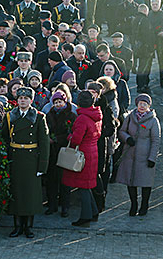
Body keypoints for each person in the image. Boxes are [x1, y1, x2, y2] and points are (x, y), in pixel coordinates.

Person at [1, 87, 49, 238]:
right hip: (15, 158)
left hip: (31, 159)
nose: (23, 100)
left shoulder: (39, 117)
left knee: (30, 194)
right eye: (20, 98)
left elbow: (44, 143)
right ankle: (17, 226)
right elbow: (4, 139)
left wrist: (42, 165)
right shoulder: (9, 116)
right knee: (17, 193)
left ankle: (28, 226)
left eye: (26, 98)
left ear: (31, 100)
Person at [62, 90, 102, 227]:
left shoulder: (82, 118)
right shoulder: (96, 115)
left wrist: (69, 136)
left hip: (83, 154)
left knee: (83, 186)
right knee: (87, 184)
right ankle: (94, 212)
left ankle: (86, 217)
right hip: (93, 152)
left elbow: (76, 139)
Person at [116, 94, 161, 216]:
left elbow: (156, 140)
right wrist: (127, 138)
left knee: (145, 182)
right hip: (130, 154)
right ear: (136, 104)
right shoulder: (130, 117)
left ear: (149, 106)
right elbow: (121, 131)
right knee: (130, 181)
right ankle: (133, 204)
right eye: (140, 103)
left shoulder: (153, 120)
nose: (142, 106)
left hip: (145, 156)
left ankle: (144, 205)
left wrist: (152, 158)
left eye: (145, 104)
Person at [45, 90, 76, 217]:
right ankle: (52, 205)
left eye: (60, 102)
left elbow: (72, 132)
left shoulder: (71, 115)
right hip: (52, 151)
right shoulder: (49, 114)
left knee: (65, 180)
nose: (58, 104)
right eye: (56, 102)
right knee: (51, 180)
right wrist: (48, 138)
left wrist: (57, 139)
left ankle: (65, 206)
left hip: (65, 150)